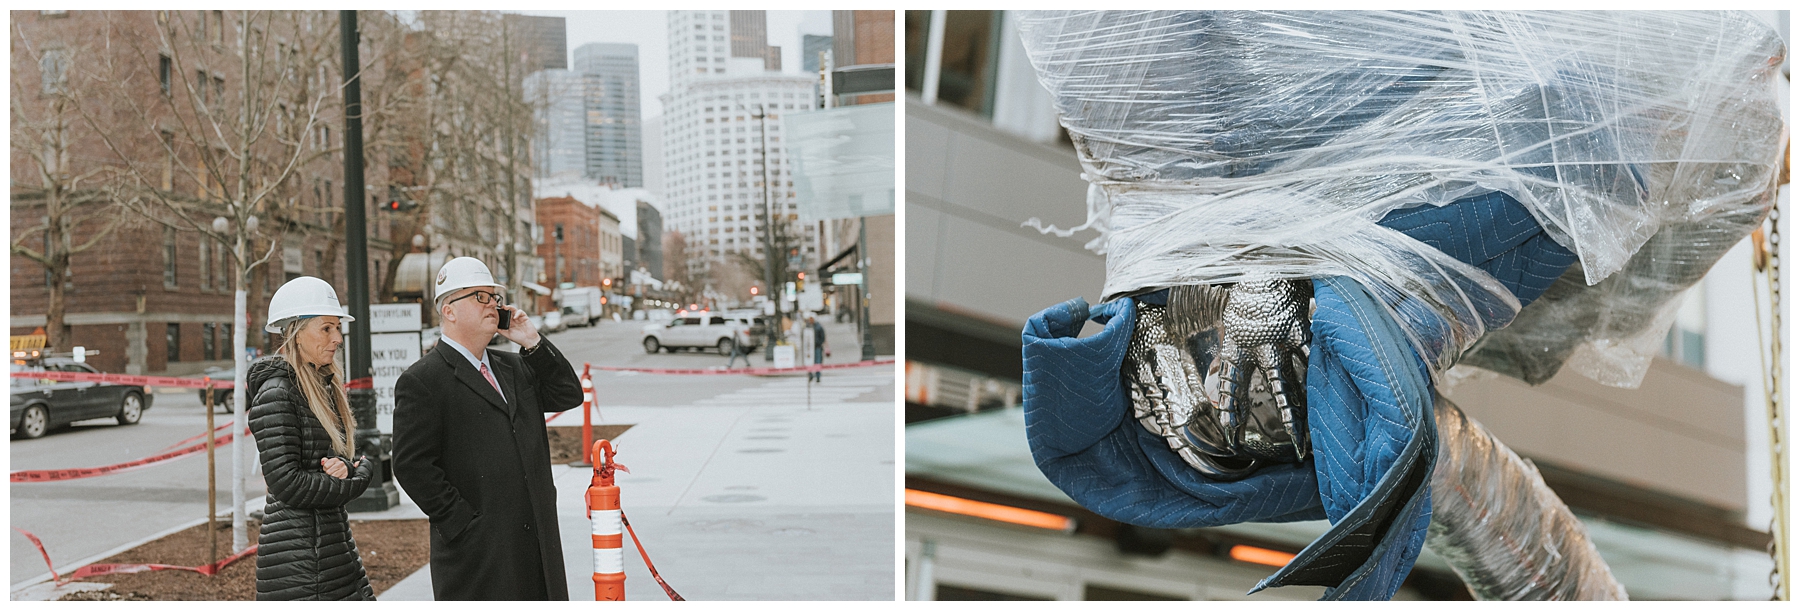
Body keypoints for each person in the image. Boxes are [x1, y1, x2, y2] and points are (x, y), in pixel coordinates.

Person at [392, 257, 583, 600]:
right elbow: (411, 465)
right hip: (480, 555)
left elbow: (568, 393)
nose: (494, 304)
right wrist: (464, 523)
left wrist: (531, 341)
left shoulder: (514, 366)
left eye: (495, 297)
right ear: (449, 311)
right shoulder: (422, 381)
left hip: (536, 546)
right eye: (480, 296)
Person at [247, 276, 375, 600]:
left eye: (337, 328)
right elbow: (286, 483)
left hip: (328, 549)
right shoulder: (278, 394)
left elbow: (341, 460)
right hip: (302, 564)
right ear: (295, 332)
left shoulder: (319, 387)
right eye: (326, 328)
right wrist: (355, 480)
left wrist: (349, 468)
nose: (338, 338)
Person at [807, 314, 827, 383]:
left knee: (817, 362)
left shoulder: (818, 327)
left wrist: (819, 342)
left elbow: (823, 337)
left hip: (817, 347)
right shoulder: (808, 326)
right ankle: (810, 375)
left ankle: (818, 376)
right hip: (809, 348)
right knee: (809, 362)